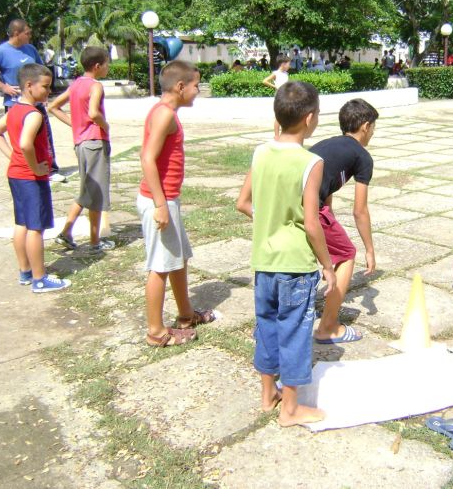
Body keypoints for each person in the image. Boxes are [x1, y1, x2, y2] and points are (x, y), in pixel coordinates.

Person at [236, 81, 336, 426]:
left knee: (267, 326)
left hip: (264, 262)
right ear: (310, 119)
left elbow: (243, 203)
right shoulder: (312, 162)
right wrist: (328, 265)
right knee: (294, 331)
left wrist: (270, 222)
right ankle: (291, 409)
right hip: (295, 264)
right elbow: (311, 223)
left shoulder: (260, 152)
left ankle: (268, 395)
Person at [137, 60, 217, 347]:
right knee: (159, 266)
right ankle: (156, 332)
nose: (198, 91)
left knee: (177, 259)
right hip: (160, 201)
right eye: (196, 85)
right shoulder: (164, 115)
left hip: (168, 199)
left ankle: (185, 315)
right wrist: (160, 204)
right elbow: (146, 158)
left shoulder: (167, 112)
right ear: (180, 86)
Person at [0, 64, 71, 292]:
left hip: (16, 175)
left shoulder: (14, 110)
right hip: (30, 178)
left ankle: (25, 272)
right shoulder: (34, 115)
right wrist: (36, 167)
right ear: (29, 85)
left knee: (22, 224)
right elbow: (26, 143)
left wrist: (13, 156)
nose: (49, 91)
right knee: (35, 228)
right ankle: (39, 278)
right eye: (45, 87)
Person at [309, 98, 378, 344]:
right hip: (308, 208)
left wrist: (329, 217)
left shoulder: (328, 145)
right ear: (366, 126)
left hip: (285, 205)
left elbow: (325, 182)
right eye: (373, 128)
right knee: (346, 254)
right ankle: (328, 327)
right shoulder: (362, 156)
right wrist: (369, 249)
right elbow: (359, 210)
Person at [47, 46, 115, 254]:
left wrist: (76, 124)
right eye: (106, 64)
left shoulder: (76, 84)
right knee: (95, 192)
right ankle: (94, 242)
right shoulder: (95, 86)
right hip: (95, 142)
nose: (108, 67)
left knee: (88, 190)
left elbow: (53, 107)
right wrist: (105, 125)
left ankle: (67, 232)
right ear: (97, 66)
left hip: (81, 143)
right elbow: (94, 113)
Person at [0, 19, 65, 182]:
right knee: (21, 140)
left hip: (36, 103)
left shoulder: (30, 49)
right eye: (28, 33)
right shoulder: (0, 51)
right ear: (16, 34)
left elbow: (42, 71)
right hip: (15, 104)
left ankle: (50, 168)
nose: (30, 35)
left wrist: (44, 93)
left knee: (44, 136)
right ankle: (22, 165)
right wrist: (3, 87)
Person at [262, 57, 291, 140]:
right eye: (288, 64)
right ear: (283, 64)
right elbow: (265, 81)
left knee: (286, 115)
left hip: (286, 95)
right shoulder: (276, 73)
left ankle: (284, 133)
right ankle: (276, 135)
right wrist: (276, 87)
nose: (289, 66)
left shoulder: (286, 74)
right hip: (279, 95)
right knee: (278, 116)